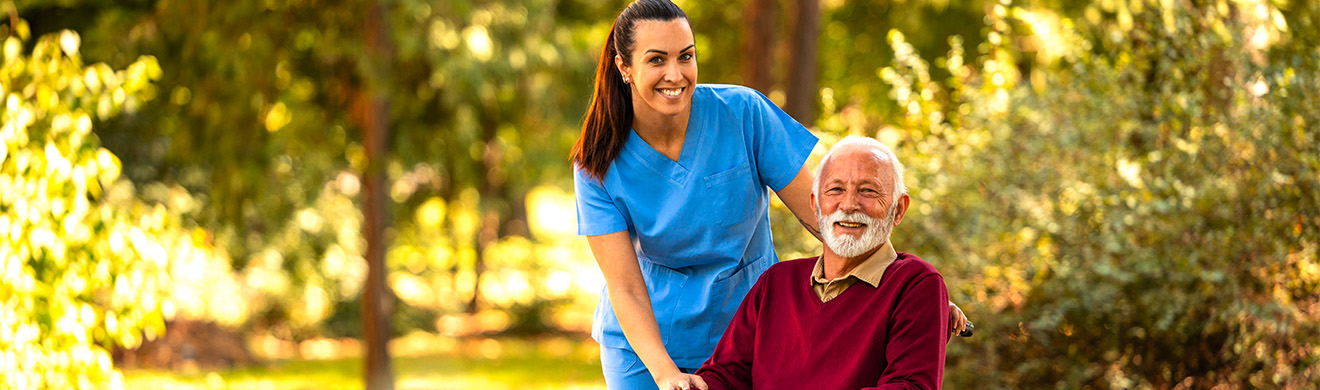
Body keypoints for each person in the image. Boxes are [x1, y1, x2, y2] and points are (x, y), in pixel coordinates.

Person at [571, 1, 964, 389]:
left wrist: (902, 291)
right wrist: (665, 374)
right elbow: (625, 286)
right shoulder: (597, 161)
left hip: (743, 335)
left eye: (685, 56)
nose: (675, 74)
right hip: (646, 344)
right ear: (624, 66)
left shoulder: (744, 113)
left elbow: (823, 214)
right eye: (656, 60)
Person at [693, 135, 950, 390]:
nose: (849, 204)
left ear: (898, 209)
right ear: (815, 205)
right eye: (836, 189)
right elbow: (725, 376)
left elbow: (910, 386)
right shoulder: (777, 281)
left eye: (868, 191)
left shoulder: (915, 284)